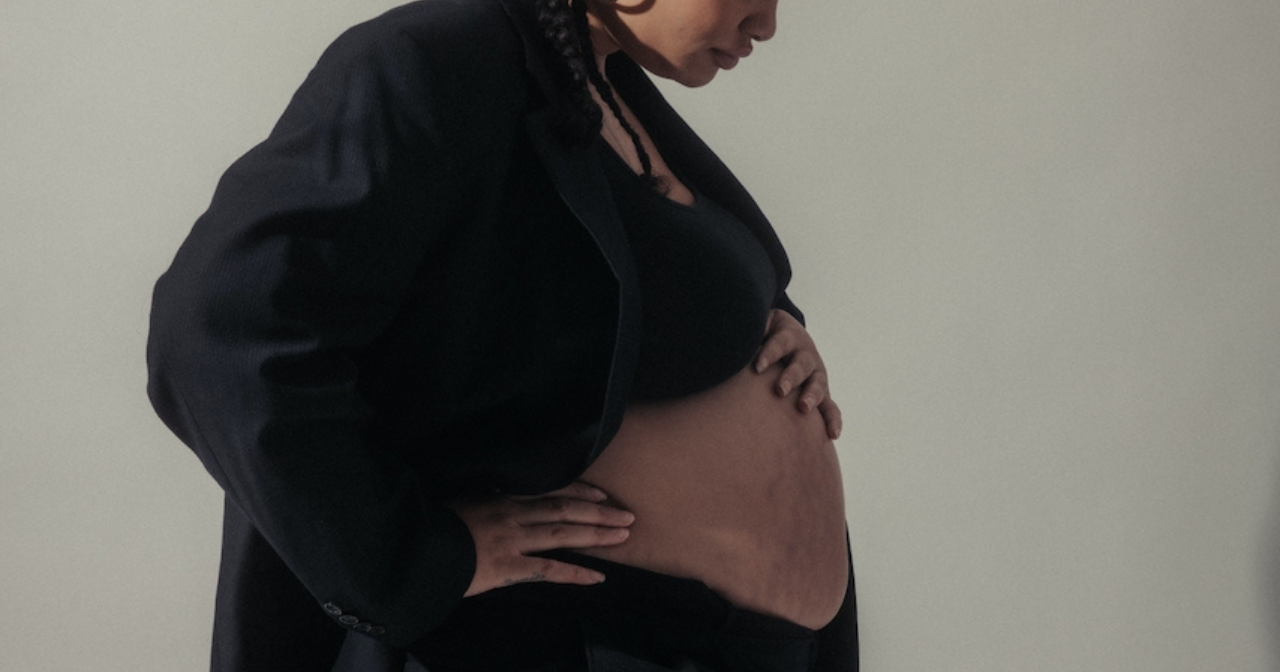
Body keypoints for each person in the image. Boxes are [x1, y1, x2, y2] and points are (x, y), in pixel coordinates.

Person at [146, 0, 859, 669]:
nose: (767, 22)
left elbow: (624, 291)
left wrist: (772, 329)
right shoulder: (431, 60)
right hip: (550, 635)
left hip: (735, 645)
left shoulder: (606, 85)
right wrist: (413, 563)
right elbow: (221, 327)